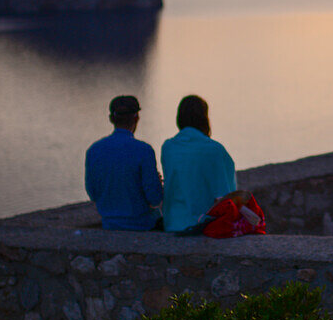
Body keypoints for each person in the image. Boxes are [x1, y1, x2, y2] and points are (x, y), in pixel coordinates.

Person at [85, 95, 164, 230]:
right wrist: (156, 183)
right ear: (136, 118)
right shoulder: (144, 150)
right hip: (142, 224)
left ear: (111, 119)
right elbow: (155, 199)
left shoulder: (94, 150)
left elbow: (92, 193)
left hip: (108, 224)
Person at [161, 95, 237, 232]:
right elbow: (226, 197)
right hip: (203, 227)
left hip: (172, 224)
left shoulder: (168, 147)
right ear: (204, 118)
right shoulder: (215, 150)